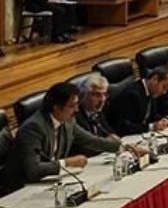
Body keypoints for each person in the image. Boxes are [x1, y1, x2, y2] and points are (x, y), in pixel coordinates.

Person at [3, 82, 132, 192]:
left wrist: (124, 147)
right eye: (72, 106)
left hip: (49, 183)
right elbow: (33, 170)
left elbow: (92, 141)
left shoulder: (68, 121)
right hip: (20, 189)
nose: (77, 110)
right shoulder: (34, 127)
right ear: (56, 108)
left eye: (77, 104)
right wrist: (66, 163)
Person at [106, 67, 168, 136]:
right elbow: (124, 127)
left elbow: (152, 115)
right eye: (164, 87)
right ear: (155, 79)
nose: (164, 92)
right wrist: (152, 127)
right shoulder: (132, 95)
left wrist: (163, 120)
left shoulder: (150, 91)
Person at [73, 74, 120, 142]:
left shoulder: (97, 110)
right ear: (83, 95)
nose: (102, 100)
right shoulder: (75, 116)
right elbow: (85, 144)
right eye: (97, 95)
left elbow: (109, 132)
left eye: (104, 94)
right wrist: (106, 142)